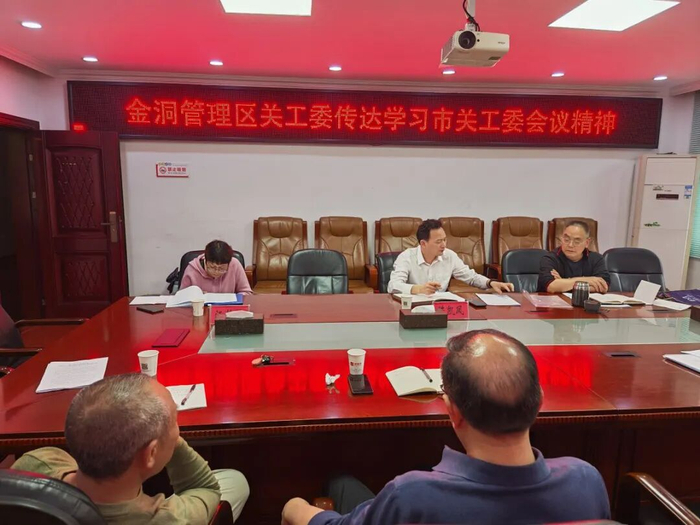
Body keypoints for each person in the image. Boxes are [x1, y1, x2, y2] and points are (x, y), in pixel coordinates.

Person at [281, 329, 610, 525]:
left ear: (453, 412)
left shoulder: (412, 496)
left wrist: (294, 508)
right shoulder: (586, 480)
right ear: (539, 402)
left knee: (339, 485)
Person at [12, 373, 250, 524]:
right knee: (235, 481)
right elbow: (206, 488)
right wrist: (171, 437)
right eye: (175, 420)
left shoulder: (37, 462)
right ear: (151, 454)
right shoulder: (171, 519)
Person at [387, 219, 514, 295]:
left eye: (445, 240)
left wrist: (491, 283)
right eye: (438, 242)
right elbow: (393, 286)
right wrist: (418, 289)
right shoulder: (407, 257)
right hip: (412, 308)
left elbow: (471, 277)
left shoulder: (449, 256)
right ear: (423, 244)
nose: (444, 245)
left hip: (439, 308)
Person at [538, 221, 610, 293]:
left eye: (576, 242)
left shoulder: (597, 259)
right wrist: (587, 280)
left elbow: (603, 286)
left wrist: (563, 284)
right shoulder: (550, 258)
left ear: (587, 243)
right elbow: (551, 286)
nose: (570, 245)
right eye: (566, 240)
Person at [180, 240, 252, 294]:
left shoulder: (235, 265)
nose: (216, 272)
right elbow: (182, 297)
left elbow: (246, 292)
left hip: (228, 308)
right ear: (205, 260)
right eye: (212, 267)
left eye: (221, 269)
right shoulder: (192, 270)